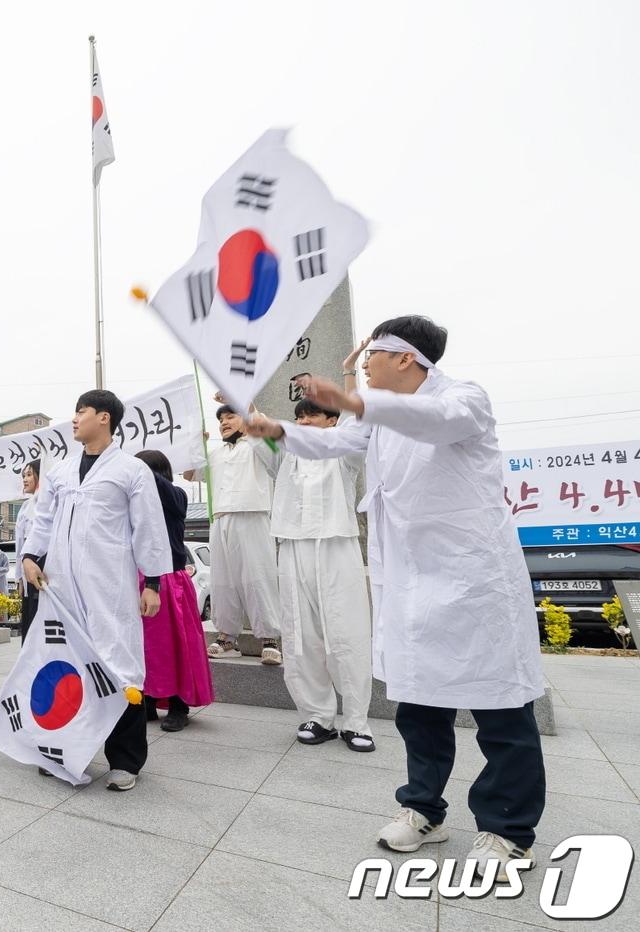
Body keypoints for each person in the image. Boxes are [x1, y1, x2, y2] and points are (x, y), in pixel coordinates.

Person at [244, 315, 546, 879]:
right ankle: (424, 808)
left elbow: (435, 422)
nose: (362, 369)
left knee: (500, 707)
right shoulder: (376, 419)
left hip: (472, 580)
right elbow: (335, 442)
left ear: (405, 357)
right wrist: (276, 430)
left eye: (370, 358)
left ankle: (508, 830)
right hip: (412, 581)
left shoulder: (463, 398)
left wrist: (358, 401)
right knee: (419, 704)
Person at [22, 390, 171, 791]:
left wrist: (153, 582)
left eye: (80, 412)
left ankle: (126, 761)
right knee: (66, 665)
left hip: (110, 587)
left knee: (117, 664)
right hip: (62, 587)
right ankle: (69, 750)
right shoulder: (61, 472)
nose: (73, 419)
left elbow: (149, 528)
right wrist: (31, 556)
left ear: (104, 417)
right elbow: (43, 521)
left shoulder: (130, 471)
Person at [270, 396, 375, 752]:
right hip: (293, 547)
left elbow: (360, 423)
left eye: (312, 415)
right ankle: (318, 715)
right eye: (299, 417)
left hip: (335, 545)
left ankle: (357, 721)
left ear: (333, 422)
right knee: (301, 633)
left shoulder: (343, 455)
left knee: (347, 632)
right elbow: (261, 432)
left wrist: (347, 378)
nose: (304, 422)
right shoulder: (286, 458)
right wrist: (243, 401)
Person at [184, 402, 282, 664]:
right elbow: (189, 473)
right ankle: (227, 636)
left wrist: (248, 406)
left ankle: (270, 638)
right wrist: (195, 444)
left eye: (230, 416)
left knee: (258, 577)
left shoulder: (260, 445)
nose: (224, 422)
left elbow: (274, 453)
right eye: (221, 419)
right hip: (219, 519)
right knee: (222, 581)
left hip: (253, 515)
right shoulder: (215, 453)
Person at [133, 450, 214, 733]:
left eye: (141, 468)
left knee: (177, 646)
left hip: (170, 581)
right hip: (139, 579)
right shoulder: (134, 502)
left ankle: (179, 705)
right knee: (146, 647)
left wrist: (136, 468)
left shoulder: (177, 495)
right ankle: (148, 700)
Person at [13, 460, 43, 641]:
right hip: (26, 572)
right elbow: (20, 546)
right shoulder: (25, 506)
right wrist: (19, 577)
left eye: (29, 474)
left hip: (40, 569)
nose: (25, 479)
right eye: (24, 475)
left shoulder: (45, 503)